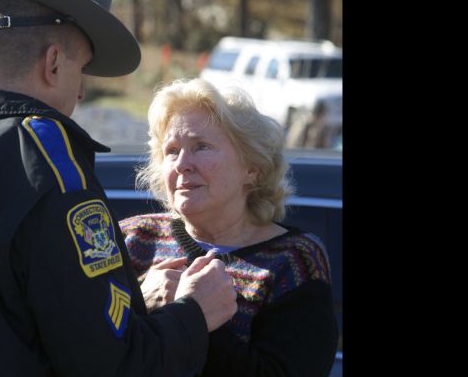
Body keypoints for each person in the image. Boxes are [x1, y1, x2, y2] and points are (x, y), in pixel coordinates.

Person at [0, 0, 238, 377]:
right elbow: (111, 364)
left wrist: (135, 303)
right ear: (54, 63)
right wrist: (195, 312)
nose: (80, 93)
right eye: (82, 73)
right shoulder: (46, 161)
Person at [120, 78, 339, 376]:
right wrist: (140, 301)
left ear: (252, 168)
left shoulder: (294, 260)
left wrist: (193, 313)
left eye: (201, 147)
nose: (183, 163)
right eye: (171, 150)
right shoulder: (132, 239)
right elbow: (80, 349)